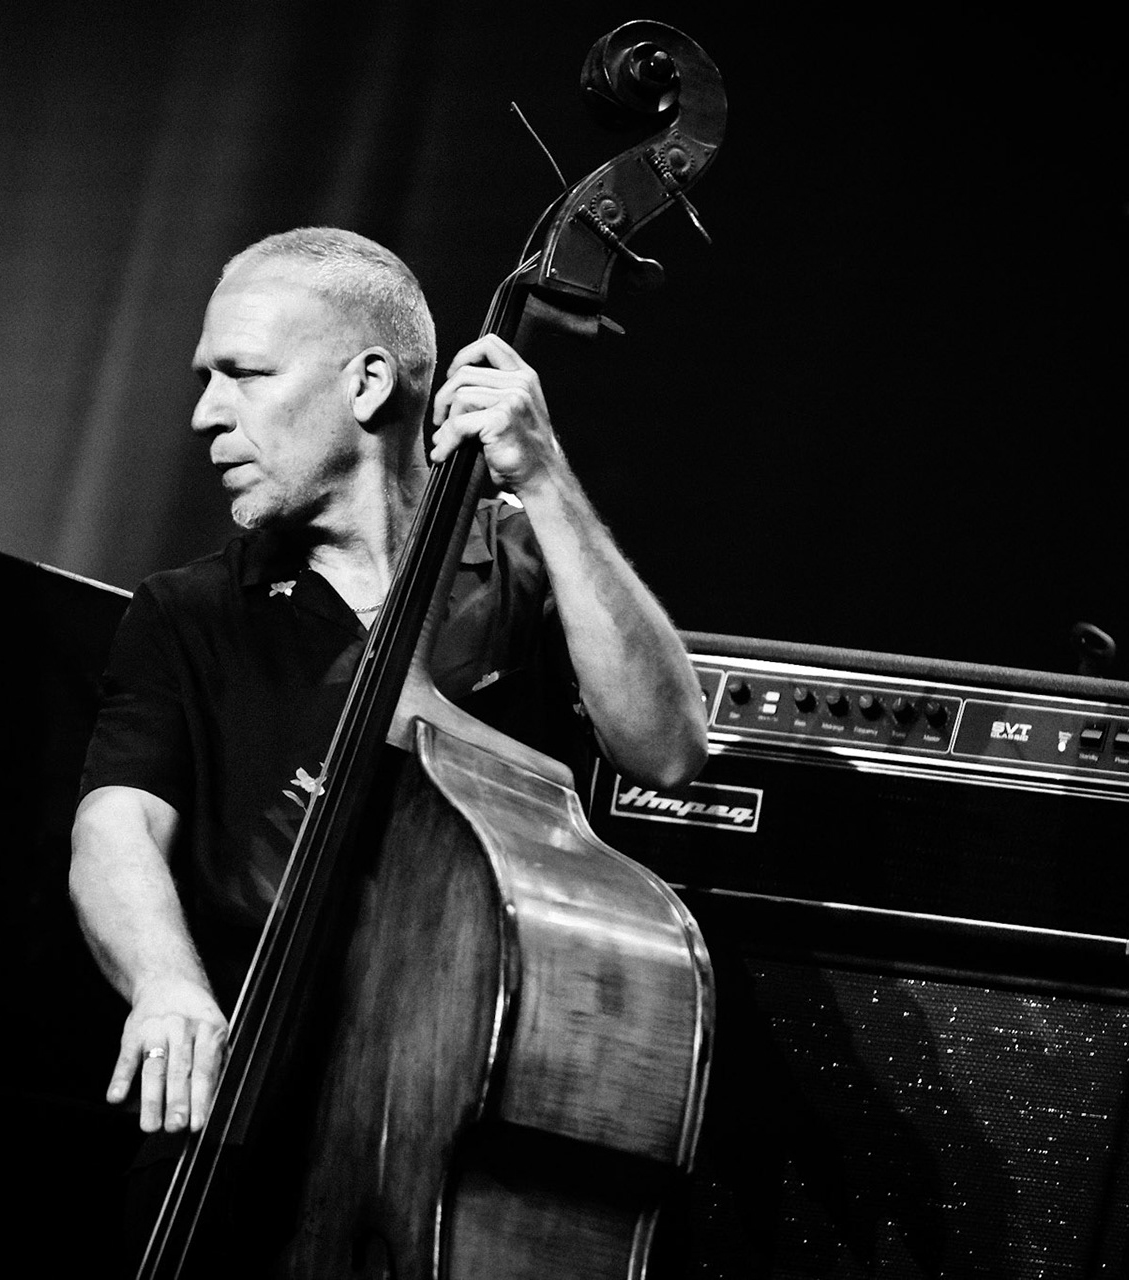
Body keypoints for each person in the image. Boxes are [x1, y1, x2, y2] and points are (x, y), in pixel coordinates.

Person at [68, 227, 706, 1155]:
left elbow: (667, 751)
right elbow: (114, 826)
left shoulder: (530, 567)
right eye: (205, 379)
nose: (207, 414)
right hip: (248, 1105)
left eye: (243, 374)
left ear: (367, 384)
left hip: (470, 1104)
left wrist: (546, 481)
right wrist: (168, 983)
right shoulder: (190, 612)